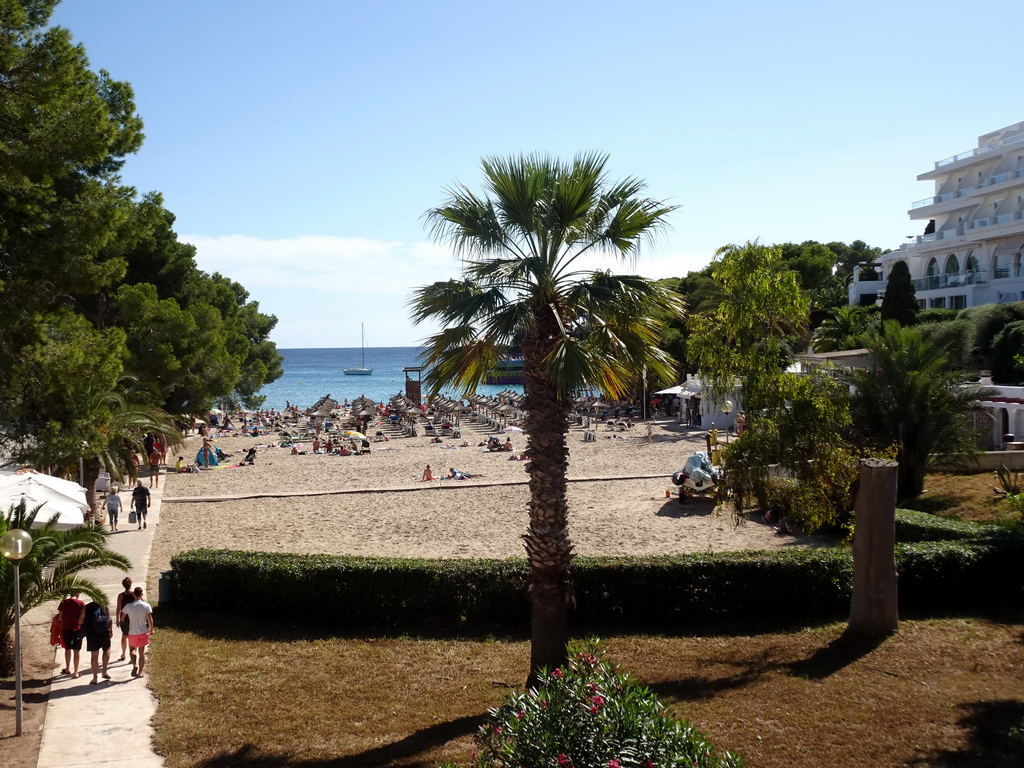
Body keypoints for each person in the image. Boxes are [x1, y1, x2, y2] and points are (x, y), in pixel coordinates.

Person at [120, 586, 154, 679]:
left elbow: (122, 619)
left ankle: (134, 664)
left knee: (132, 650)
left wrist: (124, 628)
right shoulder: (146, 605)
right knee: (141, 652)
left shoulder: (128, 606)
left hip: (132, 632)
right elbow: (150, 619)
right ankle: (140, 673)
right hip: (143, 631)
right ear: (142, 595)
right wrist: (151, 629)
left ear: (133, 595)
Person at [83, 599, 112, 684]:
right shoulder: (104, 606)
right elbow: (109, 620)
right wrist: (110, 631)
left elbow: (81, 620)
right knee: (106, 650)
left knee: (94, 654)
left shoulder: (87, 607)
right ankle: (104, 671)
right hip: (104, 632)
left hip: (92, 634)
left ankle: (95, 678)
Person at [57, 591, 85, 678]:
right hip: (77, 629)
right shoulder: (81, 604)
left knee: (67, 649)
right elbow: (82, 619)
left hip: (66, 629)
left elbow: (59, 618)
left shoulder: (63, 603)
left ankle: (67, 668)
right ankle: (76, 672)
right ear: (77, 594)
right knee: (76, 651)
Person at [115, 578, 136, 662]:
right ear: (130, 585)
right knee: (133, 636)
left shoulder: (121, 595)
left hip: (124, 617)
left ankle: (123, 654)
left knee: (124, 636)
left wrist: (117, 619)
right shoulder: (134, 594)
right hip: (133, 617)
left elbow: (118, 608)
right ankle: (133, 655)